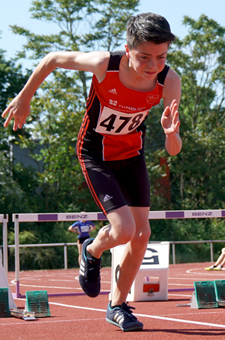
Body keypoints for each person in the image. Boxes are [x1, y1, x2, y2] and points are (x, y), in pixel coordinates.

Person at [2, 12, 182, 332]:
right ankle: (91, 248)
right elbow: (53, 58)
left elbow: (174, 150)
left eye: (161, 57)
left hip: (132, 156)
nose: (153, 65)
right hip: (96, 155)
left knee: (141, 235)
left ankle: (117, 304)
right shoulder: (104, 64)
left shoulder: (169, 81)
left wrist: (170, 134)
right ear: (127, 49)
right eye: (144, 57)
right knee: (124, 229)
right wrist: (25, 96)